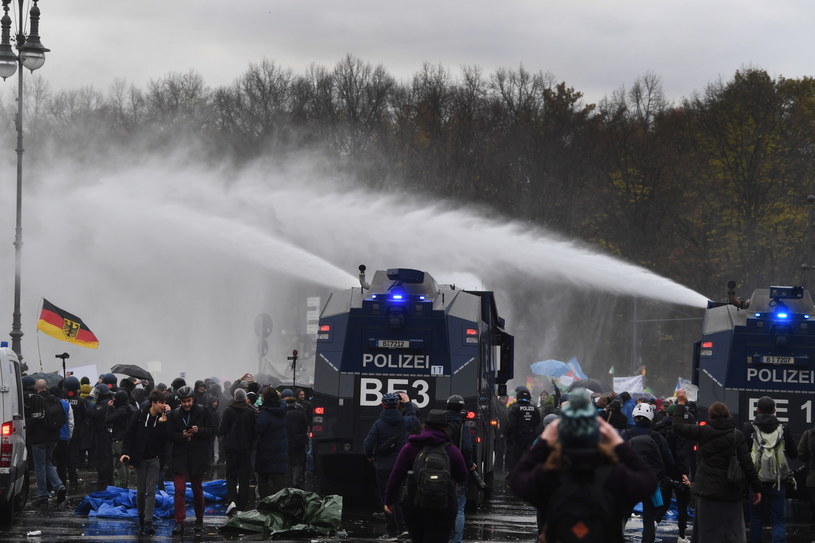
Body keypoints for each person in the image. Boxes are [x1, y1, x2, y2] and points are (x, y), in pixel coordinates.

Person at [509, 388, 657, 543]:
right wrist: (618, 443)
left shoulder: (550, 473)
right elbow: (648, 482)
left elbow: (517, 481)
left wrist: (544, 441)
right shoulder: (613, 474)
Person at [672, 389, 761, 543]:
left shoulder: (702, 431)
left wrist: (681, 403)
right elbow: (747, 465)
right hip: (731, 492)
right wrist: (757, 488)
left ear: (710, 415)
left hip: (707, 492)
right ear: (728, 415)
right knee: (731, 534)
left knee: (706, 534)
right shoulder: (737, 435)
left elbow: (678, 427)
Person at [384, 410, 468, 543]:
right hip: (444, 506)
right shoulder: (451, 449)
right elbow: (462, 476)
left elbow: (396, 475)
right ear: (446, 428)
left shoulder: (411, 447)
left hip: (415, 505)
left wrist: (388, 501)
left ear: (425, 425)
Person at [742, 396, 796, 543]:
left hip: (755, 480)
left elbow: (743, 452)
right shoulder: (783, 429)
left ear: (757, 410)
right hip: (777, 481)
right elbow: (793, 454)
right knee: (778, 520)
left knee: (756, 518)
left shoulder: (749, 427)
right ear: (774, 411)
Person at [621, 402, 677, 543]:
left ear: (634, 417)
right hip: (651, 482)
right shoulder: (657, 437)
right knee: (649, 519)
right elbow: (668, 460)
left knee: (623, 515)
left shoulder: (626, 434)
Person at [363, 392, 414, 541]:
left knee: (388, 499)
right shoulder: (404, 422)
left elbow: (368, 443)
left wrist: (370, 456)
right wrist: (408, 402)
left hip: (383, 467)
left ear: (383, 405)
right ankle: (403, 528)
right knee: (398, 497)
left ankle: (392, 532)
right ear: (398, 405)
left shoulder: (378, 424)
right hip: (400, 466)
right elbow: (414, 418)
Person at [120, 389, 172, 535]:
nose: (163, 405)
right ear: (154, 403)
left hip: (155, 459)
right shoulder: (140, 415)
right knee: (141, 491)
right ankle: (141, 516)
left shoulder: (164, 418)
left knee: (151, 490)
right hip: (140, 458)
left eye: (165, 402)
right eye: (161, 402)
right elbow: (129, 434)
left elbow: (167, 438)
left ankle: (149, 520)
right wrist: (126, 453)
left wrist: (164, 422)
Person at [169, 385, 214, 535]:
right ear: (180, 401)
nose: (187, 404)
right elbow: (169, 436)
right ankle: (179, 521)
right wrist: (182, 436)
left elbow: (212, 430)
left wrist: (198, 431)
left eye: (189, 401)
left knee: (197, 490)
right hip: (180, 457)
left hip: (197, 457)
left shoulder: (203, 411)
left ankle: (199, 519)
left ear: (193, 399)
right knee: (179, 490)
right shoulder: (174, 414)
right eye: (184, 402)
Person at [27, 379, 67, 507]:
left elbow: (33, 419)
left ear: (36, 388)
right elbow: (63, 418)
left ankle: (43, 495)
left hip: (39, 439)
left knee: (40, 466)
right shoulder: (55, 400)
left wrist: (28, 432)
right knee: (48, 463)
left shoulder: (35, 399)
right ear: (47, 387)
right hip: (53, 437)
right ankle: (59, 486)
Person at [219, 388, 257, 515]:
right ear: (245, 398)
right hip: (246, 448)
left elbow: (222, 430)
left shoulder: (228, 411)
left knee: (231, 475)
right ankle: (242, 505)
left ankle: (232, 501)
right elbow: (254, 430)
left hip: (231, 448)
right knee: (244, 477)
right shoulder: (251, 412)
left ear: (235, 397)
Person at [443, 395, 472, 543]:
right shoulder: (462, 424)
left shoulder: (438, 423)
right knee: (459, 507)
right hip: (457, 470)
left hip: (439, 469)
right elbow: (466, 448)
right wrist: (469, 464)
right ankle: (457, 540)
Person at [255, 387, 288, 499]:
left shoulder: (264, 413)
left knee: (263, 480)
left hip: (266, 452)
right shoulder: (283, 410)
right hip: (280, 451)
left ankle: (265, 506)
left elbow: (259, 429)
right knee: (278, 482)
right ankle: (279, 506)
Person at [505, 388, 541, 473]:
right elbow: (538, 422)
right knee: (528, 457)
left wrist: (509, 437)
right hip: (530, 437)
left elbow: (511, 424)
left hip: (517, 438)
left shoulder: (515, 408)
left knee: (515, 459)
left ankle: (513, 478)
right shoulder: (534, 408)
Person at [282, 388, 308, 489]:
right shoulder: (300, 414)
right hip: (299, 442)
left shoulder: (284, 415)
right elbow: (305, 427)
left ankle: (288, 481)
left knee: (288, 462)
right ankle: (295, 480)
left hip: (288, 441)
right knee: (298, 462)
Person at [111, 390, 137, 488]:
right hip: (129, 438)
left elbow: (109, 419)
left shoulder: (120, 411)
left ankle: (123, 484)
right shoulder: (132, 408)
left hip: (119, 438)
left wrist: (110, 408)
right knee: (126, 462)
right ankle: (129, 484)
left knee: (119, 462)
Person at [494, 394, 509, 473]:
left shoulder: (504, 407)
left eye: (506, 399)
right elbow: (501, 421)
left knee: (501, 451)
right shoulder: (499, 407)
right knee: (499, 451)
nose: (505, 400)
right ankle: (498, 469)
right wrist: (501, 433)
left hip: (503, 433)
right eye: (504, 398)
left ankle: (499, 468)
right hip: (500, 433)